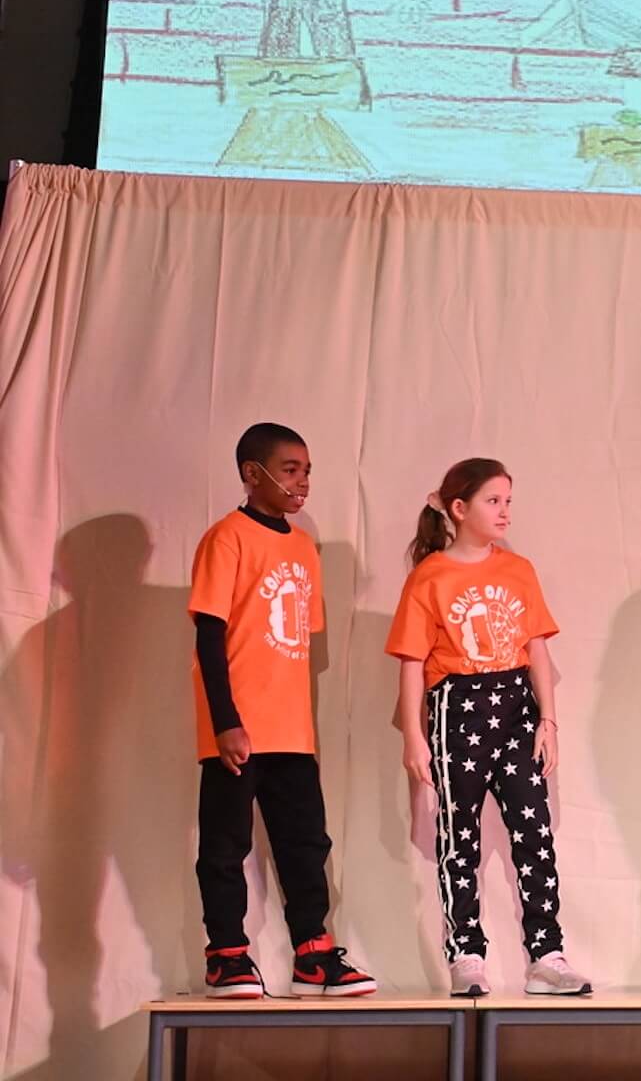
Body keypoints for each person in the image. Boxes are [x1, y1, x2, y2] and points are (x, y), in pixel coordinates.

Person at [387, 458, 591, 997]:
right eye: (492, 501)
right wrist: (414, 735)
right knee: (459, 838)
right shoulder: (429, 577)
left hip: (516, 705)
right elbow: (411, 662)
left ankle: (546, 952)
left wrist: (548, 720)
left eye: (508, 501)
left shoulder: (518, 569)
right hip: (458, 708)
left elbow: (536, 648)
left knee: (535, 835)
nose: (504, 511)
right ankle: (466, 954)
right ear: (459, 509)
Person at [190, 422, 376, 999]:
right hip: (238, 727)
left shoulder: (300, 547)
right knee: (226, 844)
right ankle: (227, 955)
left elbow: (295, 641)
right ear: (253, 473)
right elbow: (209, 635)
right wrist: (224, 719)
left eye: (307, 471)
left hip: (292, 728)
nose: (302, 483)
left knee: (305, 842)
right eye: (290, 469)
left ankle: (313, 955)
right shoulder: (227, 538)